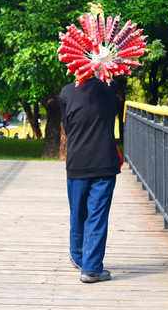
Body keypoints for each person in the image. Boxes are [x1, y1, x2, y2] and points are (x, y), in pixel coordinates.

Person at [59, 72, 121, 283]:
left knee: (78, 213)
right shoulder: (109, 88)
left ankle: (79, 257)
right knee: (97, 215)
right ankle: (91, 268)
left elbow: (67, 127)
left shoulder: (66, 92)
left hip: (77, 162)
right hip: (104, 163)